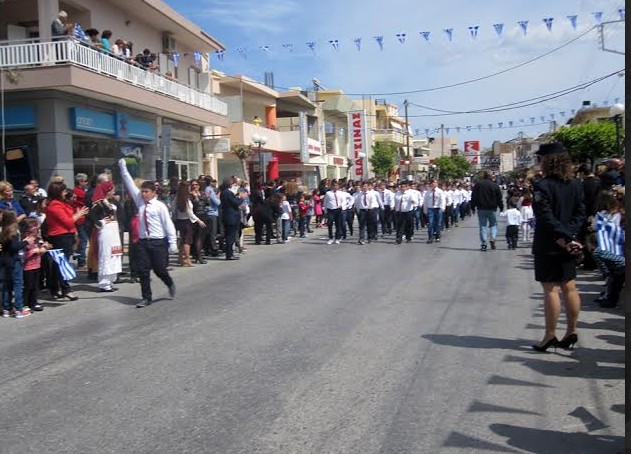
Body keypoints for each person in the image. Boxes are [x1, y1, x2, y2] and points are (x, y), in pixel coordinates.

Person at [531, 142, 586, 352]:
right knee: (570, 286)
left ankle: (550, 335)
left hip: (549, 243)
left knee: (551, 289)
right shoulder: (576, 184)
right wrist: (570, 236)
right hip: (570, 243)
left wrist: (561, 236)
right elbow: (580, 214)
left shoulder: (542, 186)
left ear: (547, 160)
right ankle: (571, 331)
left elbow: (545, 217)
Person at [118, 158, 177, 308]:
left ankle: (169, 283)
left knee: (159, 270)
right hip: (143, 242)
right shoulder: (140, 202)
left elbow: (168, 224)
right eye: (142, 191)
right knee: (143, 271)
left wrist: (172, 243)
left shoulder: (160, 206)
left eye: (146, 192)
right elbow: (130, 183)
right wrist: (123, 168)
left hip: (158, 242)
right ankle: (146, 297)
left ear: (153, 192)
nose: (143, 194)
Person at [45, 182, 88, 301]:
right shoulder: (54, 206)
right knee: (61, 264)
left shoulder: (62, 204)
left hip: (67, 235)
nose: (65, 193)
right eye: (63, 191)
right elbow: (68, 221)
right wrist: (78, 214)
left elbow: (72, 220)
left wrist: (79, 215)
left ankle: (54, 288)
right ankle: (66, 289)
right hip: (59, 236)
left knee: (57, 264)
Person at [88, 181, 122, 292]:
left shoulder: (111, 202)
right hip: (106, 232)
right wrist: (102, 222)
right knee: (106, 255)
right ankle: (104, 283)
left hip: (114, 231)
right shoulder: (99, 204)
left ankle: (111, 280)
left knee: (114, 254)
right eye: (112, 189)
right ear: (107, 191)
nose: (114, 191)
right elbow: (92, 218)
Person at [0, 211, 31, 318]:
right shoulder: (13, 232)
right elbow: (14, 247)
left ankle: (6, 308)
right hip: (13, 260)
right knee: (17, 284)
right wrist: (26, 242)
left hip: (3, 260)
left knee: (6, 285)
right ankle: (19, 308)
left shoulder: (2, 230)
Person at [22, 218, 51, 313]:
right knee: (28, 286)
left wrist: (44, 248)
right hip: (28, 267)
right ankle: (25, 303)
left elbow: (40, 252)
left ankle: (33, 302)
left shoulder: (37, 240)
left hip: (36, 265)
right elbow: (23, 255)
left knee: (35, 286)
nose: (38, 232)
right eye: (36, 230)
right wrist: (34, 251)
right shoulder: (26, 241)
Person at [471, 171, 503, 251]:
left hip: (481, 208)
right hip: (492, 208)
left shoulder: (478, 184)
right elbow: (499, 197)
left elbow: (473, 196)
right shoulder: (494, 185)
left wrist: (472, 207)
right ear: (490, 177)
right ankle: (492, 238)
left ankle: (484, 243)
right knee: (493, 224)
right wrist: (501, 207)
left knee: (483, 226)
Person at [219, 178, 248, 260]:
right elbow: (235, 202)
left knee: (231, 235)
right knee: (230, 236)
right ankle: (229, 254)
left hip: (231, 216)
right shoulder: (227, 193)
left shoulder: (226, 193)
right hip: (230, 217)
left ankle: (230, 253)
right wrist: (241, 197)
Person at [73, 173, 89, 269]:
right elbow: (87, 198)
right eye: (85, 181)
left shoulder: (81, 191)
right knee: (83, 240)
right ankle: (81, 261)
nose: (86, 183)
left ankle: (81, 259)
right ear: (80, 181)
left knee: (82, 240)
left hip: (82, 217)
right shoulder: (78, 191)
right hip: (80, 218)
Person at [424, 179, 445, 244]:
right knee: (430, 223)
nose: (433, 184)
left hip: (438, 208)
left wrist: (442, 207)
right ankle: (430, 237)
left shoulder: (440, 191)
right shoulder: (428, 192)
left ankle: (437, 236)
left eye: (435, 182)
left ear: (437, 183)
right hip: (431, 209)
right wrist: (425, 209)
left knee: (438, 223)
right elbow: (425, 201)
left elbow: (443, 200)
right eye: (432, 183)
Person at [323, 180, 343, 244]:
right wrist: (325, 209)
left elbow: (344, 201)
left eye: (336, 185)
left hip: (338, 209)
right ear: (331, 186)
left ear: (338, 186)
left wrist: (342, 205)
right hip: (331, 210)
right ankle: (330, 238)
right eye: (334, 186)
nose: (335, 187)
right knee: (330, 223)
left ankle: (337, 238)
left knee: (338, 224)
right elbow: (325, 202)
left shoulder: (340, 193)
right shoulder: (328, 193)